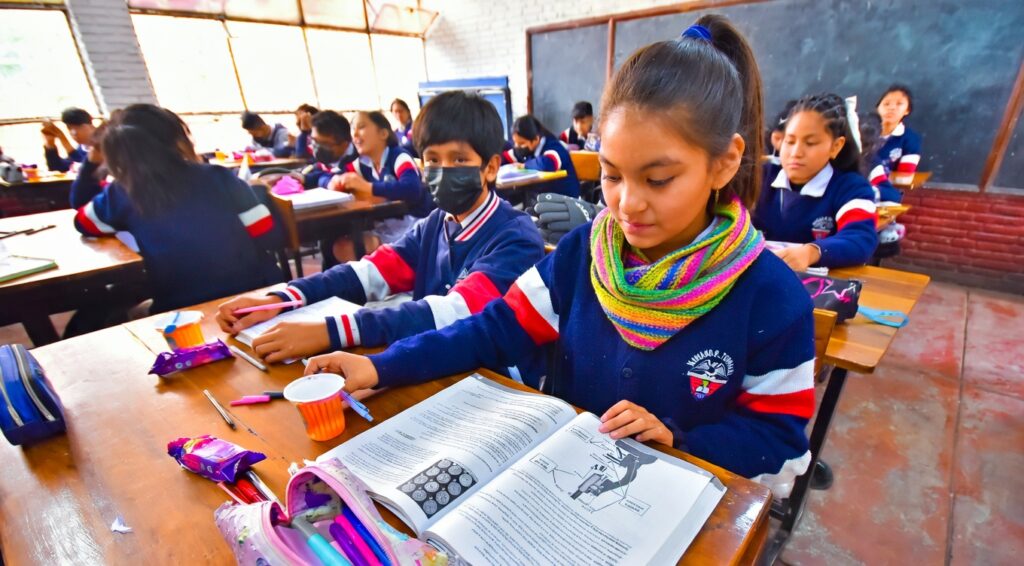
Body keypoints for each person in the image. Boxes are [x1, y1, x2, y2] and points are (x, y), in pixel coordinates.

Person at [303, 16, 815, 498]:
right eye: (611, 175)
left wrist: (679, 442)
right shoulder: (585, 253)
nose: (626, 205)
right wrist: (381, 367)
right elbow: (493, 329)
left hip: (676, 502)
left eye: (658, 179)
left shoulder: (770, 295)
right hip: (563, 489)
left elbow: (778, 441)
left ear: (724, 162)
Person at [216, 91, 545, 365]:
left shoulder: (515, 237)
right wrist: (280, 299)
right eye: (432, 160)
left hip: (494, 379)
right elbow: (368, 273)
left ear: (490, 168)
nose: (443, 170)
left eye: (458, 160)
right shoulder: (436, 224)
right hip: (433, 363)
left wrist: (332, 331)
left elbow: (455, 314)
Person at [71, 104, 285, 313]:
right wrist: (257, 192)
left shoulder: (121, 192)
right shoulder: (217, 177)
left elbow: (83, 222)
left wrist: (91, 164)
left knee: (120, 312)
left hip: (179, 307)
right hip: (253, 295)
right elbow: (267, 234)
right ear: (178, 140)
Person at [755, 94, 879, 270]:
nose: (796, 153)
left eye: (810, 143)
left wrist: (811, 252)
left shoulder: (850, 187)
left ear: (835, 146)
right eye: (790, 141)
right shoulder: (760, 177)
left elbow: (860, 238)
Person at [327, 111, 433, 252]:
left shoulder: (398, 156)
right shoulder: (362, 163)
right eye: (353, 129)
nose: (355, 134)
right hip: (386, 227)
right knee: (336, 245)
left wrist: (367, 187)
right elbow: (329, 175)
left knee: (351, 248)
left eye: (361, 127)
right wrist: (333, 182)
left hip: (415, 225)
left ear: (383, 134)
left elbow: (412, 189)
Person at [504, 115, 581, 200]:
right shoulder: (526, 149)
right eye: (515, 142)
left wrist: (525, 165)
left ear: (536, 139)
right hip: (545, 199)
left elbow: (547, 164)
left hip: (565, 201)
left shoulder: (553, 146)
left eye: (521, 143)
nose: (517, 146)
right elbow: (506, 157)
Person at [875, 84, 922, 182]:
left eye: (899, 104)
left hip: (888, 189)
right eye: (886, 104)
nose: (891, 108)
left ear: (907, 110)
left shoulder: (911, 139)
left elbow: (904, 177)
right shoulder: (862, 133)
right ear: (878, 108)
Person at [41, 107, 95, 172]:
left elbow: (84, 165)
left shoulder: (102, 143)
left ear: (90, 126)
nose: (74, 132)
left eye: (78, 127)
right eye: (69, 128)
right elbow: (58, 167)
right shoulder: (82, 147)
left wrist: (61, 137)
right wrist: (50, 144)